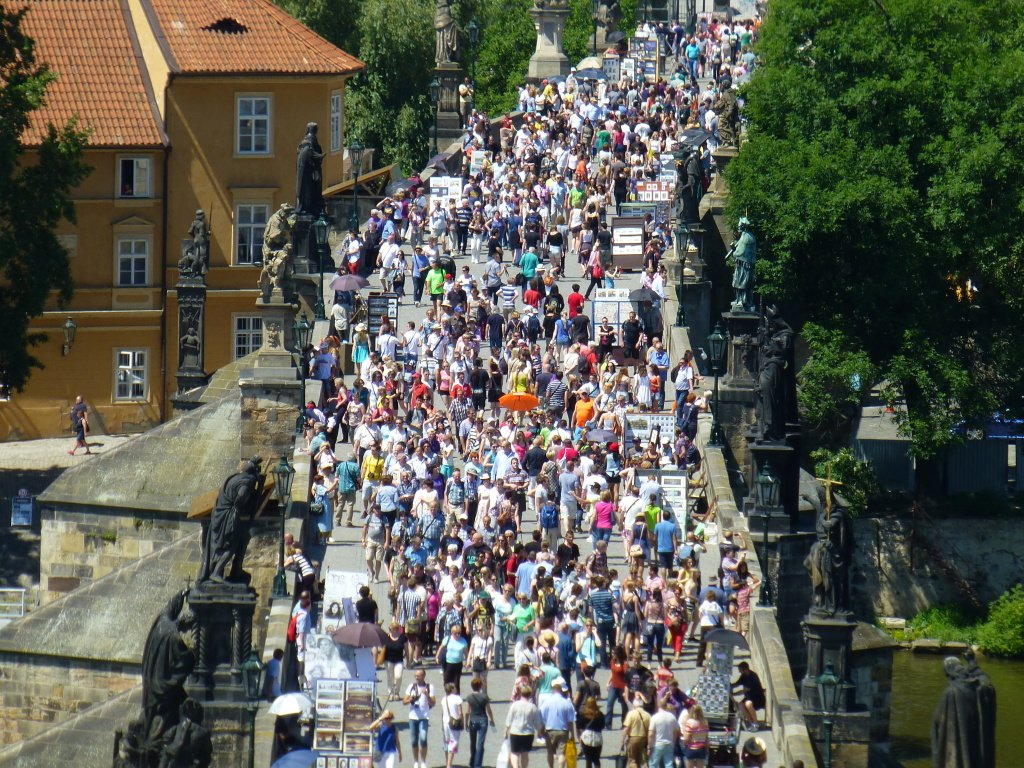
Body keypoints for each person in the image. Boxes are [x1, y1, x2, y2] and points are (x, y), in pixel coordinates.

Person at [538, 678, 576, 768]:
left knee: (550, 752)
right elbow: (570, 721)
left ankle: (551, 767)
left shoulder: (546, 702)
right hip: (563, 730)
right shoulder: (567, 703)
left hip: (550, 730)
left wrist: (541, 731)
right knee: (562, 753)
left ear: (553, 690)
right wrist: (572, 734)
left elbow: (542, 718)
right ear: (561, 691)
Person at [505, 685, 544, 768]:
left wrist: (505, 731)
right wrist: (539, 733)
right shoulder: (533, 707)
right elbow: (537, 722)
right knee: (525, 753)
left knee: (514, 752)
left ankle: (515, 767)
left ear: (521, 693)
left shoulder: (515, 705)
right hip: (528, 733)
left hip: (515, 732)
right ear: (530, 694)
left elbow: (509, 719)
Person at [403, 668, 435, 768]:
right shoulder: (411, 686)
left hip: (424, 717)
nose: (416, 677)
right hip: (413, 717)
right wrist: (410, 699)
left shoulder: (429, 687)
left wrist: (427, 695)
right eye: (415, 675)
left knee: (423, 738)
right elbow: (404, 701)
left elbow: (433, 703)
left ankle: (423, 761)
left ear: (423, 676)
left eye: (419, 675)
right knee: (413, 740)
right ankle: (416, 761)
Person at [465, 676, 496, 768]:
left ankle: (472, 761)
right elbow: (489, 710)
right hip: (483, 720)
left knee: (472, 742)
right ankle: (478, 764)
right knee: (480, 743)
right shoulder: (484, 697)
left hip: (473, 720)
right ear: (480, 686)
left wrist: (466, 723)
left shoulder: (469, 697)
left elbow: (467, 712)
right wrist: (492, 720)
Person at [648, 695, 681, 768]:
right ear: (666, 705)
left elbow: (650, 734)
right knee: (669, 764)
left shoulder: (655, 717)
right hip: (669, 744)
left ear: (658, 705)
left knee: (653, 764)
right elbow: (676, 731)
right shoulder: (672, 717)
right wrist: (673, 742)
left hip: (657, 744)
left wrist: (649, 746)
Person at [733, 661, 766, 730]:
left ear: (745, 669)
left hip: (758, 698)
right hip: (749, 697)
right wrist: (729, 686)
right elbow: (737, 684)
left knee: (748, 704)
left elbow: (744, 690)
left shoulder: (753, 676)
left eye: (740, 670)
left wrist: (734, 694)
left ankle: (755, 723)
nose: (739, 672)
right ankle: (751, 723)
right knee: (740, 705)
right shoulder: (743, 676)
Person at [621, 697, 651, 768]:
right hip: (643, 739)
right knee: (639, 760)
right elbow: (650, 730)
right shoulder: (648, 715)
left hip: (633, 738)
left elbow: (626, 728)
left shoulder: (631, 714)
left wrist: (622, 741)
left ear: (634, 706)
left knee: (632, 760)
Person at [576, 695, 606, 768]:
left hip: (587, 736)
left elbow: (579, 726)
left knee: (588, 759)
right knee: (596, 759)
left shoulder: (583, 714)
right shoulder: (600, 714)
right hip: (597, 736)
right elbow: (602, 726)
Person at [441, 681, 465, 768]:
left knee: (447, 742)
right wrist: (462, 723)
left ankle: (447, 762)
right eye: (454, 687)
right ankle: (449, 765)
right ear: (452, 689)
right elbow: (460, 712)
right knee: (453, 742)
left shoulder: (444, 699)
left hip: (445, 722)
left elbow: (442, 713)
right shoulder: (457, 698)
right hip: (454, 722)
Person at [681, 703, 709, 768]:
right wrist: (707, 749)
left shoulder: (690, 722)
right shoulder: (705, 722)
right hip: (701, 748)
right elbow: (706, 738)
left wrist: (685, 743)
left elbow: (687, 738)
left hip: (691, 748)